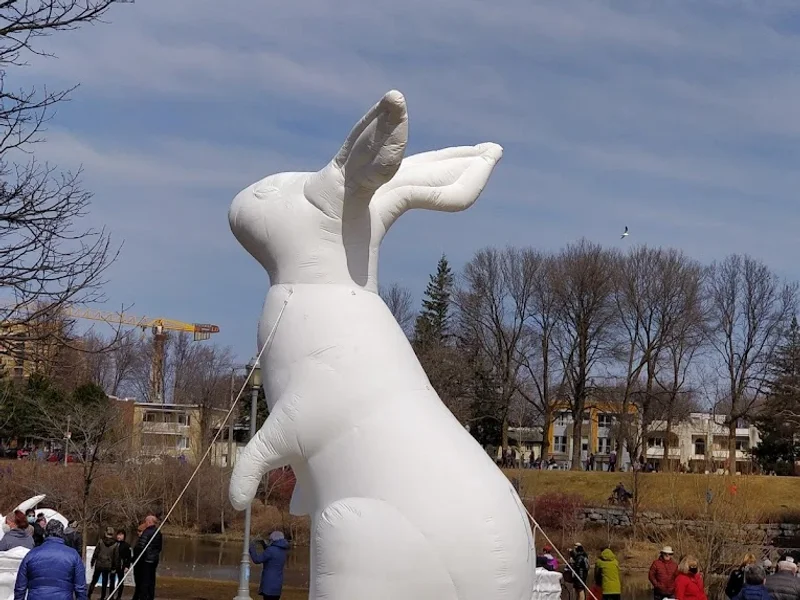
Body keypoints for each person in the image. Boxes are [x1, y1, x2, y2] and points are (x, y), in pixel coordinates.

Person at [13, 519, 87, 600]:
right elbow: (81, 588)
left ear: (45, 533)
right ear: (62, 534)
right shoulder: (73, 555)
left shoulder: (31, 554)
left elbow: (20, 587)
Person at [250, 530, 290, 600]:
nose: (269, 540)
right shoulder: (283, 550)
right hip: (278, 583)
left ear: (273, 539)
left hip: (268, 583)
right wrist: (265, 546)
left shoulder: (270, 550)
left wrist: (251, 548)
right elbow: (273, 557)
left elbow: (257, 560)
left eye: (270, 539)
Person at [132, 515, 162, 600]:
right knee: (151, 581)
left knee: (144, 581)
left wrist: (135, 559)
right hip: (154, 560)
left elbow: (141, 547)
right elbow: (159, 548)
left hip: (145, 561)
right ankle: (150, 597)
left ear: (149, 522)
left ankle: (143, 597)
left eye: (146, 521)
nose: (145, 523)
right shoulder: (158, 532)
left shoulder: (147, 532)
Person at [89, 527, 120, 600]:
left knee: (94, 580)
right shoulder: (115, 544)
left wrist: (92, 561)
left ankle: (89, 594)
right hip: (108, 565)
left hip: (99, 563)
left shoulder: (100, 541)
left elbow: (96, 552)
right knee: (104, 581)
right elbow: (116, 557)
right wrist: (114, 567)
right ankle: (102, 597)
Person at [113, 529, 132, 600]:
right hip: (113, 565)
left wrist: (127, 566)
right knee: (112, 580)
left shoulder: (126, 546)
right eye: (118, 534)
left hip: (121, 565)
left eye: (121, 535)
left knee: (120, 581)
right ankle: (111, 595)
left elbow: (129, 557)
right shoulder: (113, 543)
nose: (119, 536)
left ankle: (119, 596)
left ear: (124, 536)